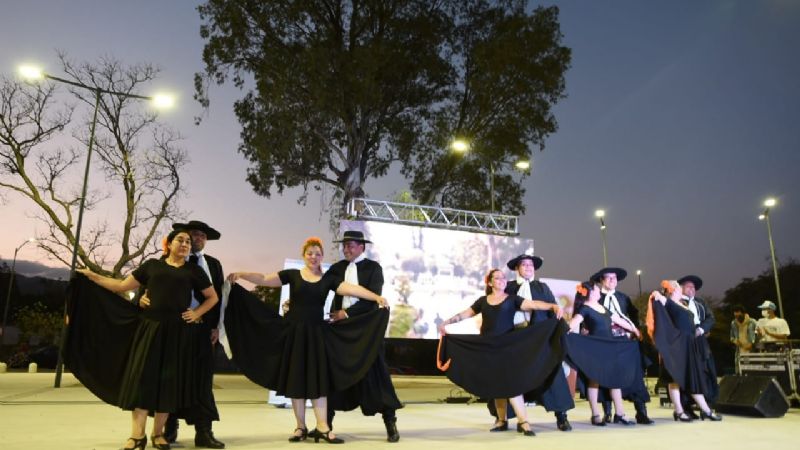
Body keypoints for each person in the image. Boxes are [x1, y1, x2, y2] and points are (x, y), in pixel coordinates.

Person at [225, 237, 389, 444]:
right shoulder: (292, 275)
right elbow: (265, 279)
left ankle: (322, 427)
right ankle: (300, 427)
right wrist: (242, 274)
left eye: (318, 253)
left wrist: (376, 297)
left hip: (316, 334)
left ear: (322, 257)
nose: (314, 257)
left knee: (317, 380)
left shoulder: (329, 278)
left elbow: (352, 289)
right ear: (304, 255)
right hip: (294, 333)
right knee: (296, 380)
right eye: (310, 253)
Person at [69, 229, 219, 450]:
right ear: (168, 244)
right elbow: (121, 286)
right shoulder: (152, 265)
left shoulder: (194, 271)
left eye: (188, 241)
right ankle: (137, 436)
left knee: (168, 385)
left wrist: (197, 313)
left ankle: (158, 434)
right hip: (150, 329)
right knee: (143, 381)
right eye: (180, 240)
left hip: (177, 333)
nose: (185, 244)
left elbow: (212, 297)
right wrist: (93, 276)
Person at [438, 268, 564, 437]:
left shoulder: (512, 299)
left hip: (507, 346)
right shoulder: (483, 301)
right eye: (498, 278)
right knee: (496, 384)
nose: (502, 280)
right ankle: (501, 420)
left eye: (504, 278)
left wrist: (553, 306)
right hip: (488, 347)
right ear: (490, 282)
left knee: (511, 384)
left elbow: (533, 304)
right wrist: (447, 322)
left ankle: (523, 421)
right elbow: (465, 314)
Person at [143, 220, 225, 448]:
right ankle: (168, 429)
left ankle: (204, 431)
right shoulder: (165, 261)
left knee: (202, 380)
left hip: (202, 330)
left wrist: (216, 327)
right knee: (169, 377)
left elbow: (218, 298)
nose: (197, 239)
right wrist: (143, 298)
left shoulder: (213, 265)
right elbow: (149, 286)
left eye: (202, 236)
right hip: (171, 327)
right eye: (193, 235)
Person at [325, 230, 403, 442]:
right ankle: (326, 425)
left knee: (376, 372)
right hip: (339, 330)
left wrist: (347, 313)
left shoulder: (373, 268)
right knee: (334, 373)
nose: (346, 249)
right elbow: (320, 288)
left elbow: (372, 299)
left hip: (365, 329)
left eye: (351, 245)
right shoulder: (337, 268)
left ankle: (390, 422)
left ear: (362, 247)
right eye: (345, 245)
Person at [501, 254, 574, 431]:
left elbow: (553, 309)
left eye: (531, 265)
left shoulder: (542, 287)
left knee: (552, 371)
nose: (528, 267)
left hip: (540, 338)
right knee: (512, 376)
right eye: (524, 264)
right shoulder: (509, 287)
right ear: (517, 268)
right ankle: (513, 419)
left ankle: (561, 416)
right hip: (516, 338)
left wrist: (564, 327)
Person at [567, 281, 641, 426]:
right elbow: (574, 322)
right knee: (594, 380)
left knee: (615, 379)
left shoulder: (603, 308)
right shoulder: (585, 309)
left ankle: (620, 414)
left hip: (609, 347)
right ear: (589, 292)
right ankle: (595, 415)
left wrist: (634, 329)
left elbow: (618, 320)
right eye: (596, 289)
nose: (599, 290)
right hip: (596, 348)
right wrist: (564, 329)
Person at [646, 280, 722, 422]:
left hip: (689, 344)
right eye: (674, 287)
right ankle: (680, 411)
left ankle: (705, 410)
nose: (677, 289)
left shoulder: (683, 304)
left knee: (693, 377)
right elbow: (656, 297)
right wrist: (657, 293)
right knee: (674, 379)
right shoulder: (668, 302)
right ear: (669, 291)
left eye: (677, 287)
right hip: (677, 345)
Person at [590, 267, 653, 424]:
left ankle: (641, 412)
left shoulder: (623, 297)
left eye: (615, 278)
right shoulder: (596, 298)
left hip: (625, 341)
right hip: (605, 341)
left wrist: (634, 330)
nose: (613, 280)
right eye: (609, 277)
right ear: (601, 280)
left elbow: (633, 314)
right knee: (607, 376)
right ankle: (609, 413)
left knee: (635, 376)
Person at [677, 275, 718, 416]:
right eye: (688, 286)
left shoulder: (700, 302)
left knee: (706, 370)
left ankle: (707, 404)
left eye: (693, 287)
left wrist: (701, 329)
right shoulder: (677, 301)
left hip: (700, 339)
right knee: (688, 372)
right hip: (685, 341)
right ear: (681, 288)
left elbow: (711, 318)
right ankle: (687, 407)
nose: (692, 289)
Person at [730, 304, 757, 373]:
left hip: (752, 350)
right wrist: (736, 341)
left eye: (739, 316)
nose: (737, 318)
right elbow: (731, 337)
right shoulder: (733, 323)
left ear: (743, 314)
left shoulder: (752, 322)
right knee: (740, 371)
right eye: (735, 316)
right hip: (740, 351)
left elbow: (758, 335)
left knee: (753, 370)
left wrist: (753, 343)